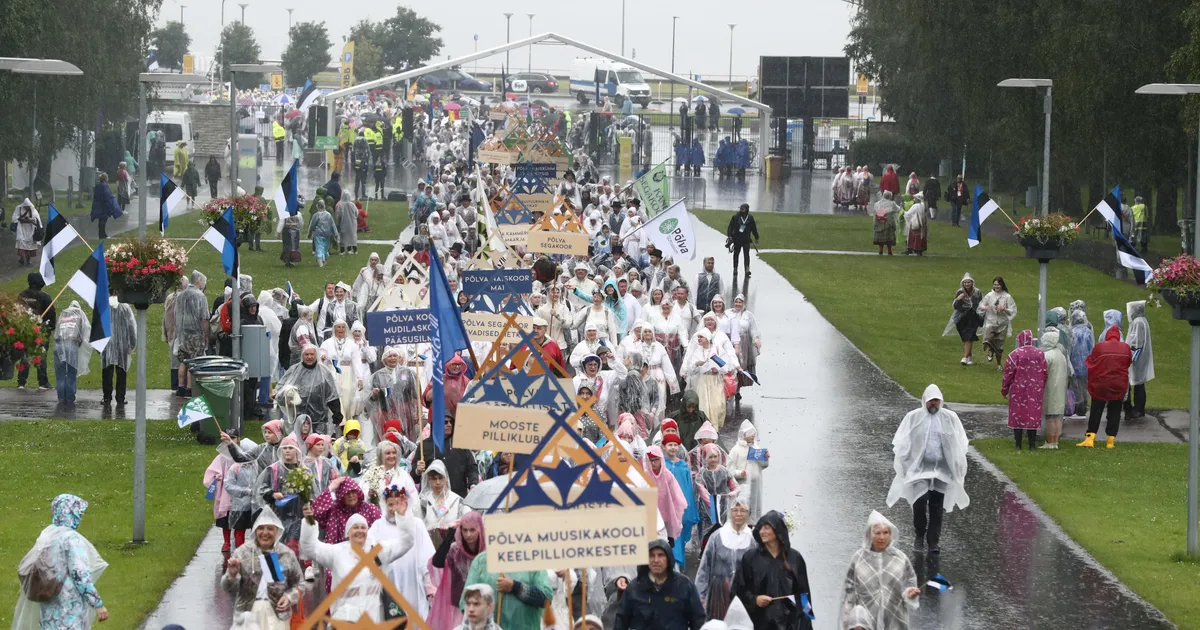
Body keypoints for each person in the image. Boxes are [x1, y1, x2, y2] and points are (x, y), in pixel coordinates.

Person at [886, 384, 969, 552]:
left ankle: (933, 542)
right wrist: (903, 462)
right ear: (924, 401)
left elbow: (960, 443)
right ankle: (919, 534)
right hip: (919, 469)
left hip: (942, 470)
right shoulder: (913, 417)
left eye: (936, 401)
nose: (934, 404)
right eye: (931, 401)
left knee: (936, 506)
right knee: (920, 501)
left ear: (941, 401)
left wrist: (958, 464)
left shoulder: (949, 418)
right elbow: (902, 441)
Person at [300, 502, 412, 621]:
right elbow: (310, 547)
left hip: (374, 618)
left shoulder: (378, 551)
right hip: (345, 619)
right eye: (355, 527)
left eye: (363, 527)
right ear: (348, 532)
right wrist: (309, 521)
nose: (360, 531)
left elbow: (406, 542)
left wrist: (402, 516)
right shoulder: (336, 552)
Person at [12, 494, 109, 630]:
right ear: (71, 513)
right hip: (69, 605)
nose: (80, 517)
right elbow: (80, 574)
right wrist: (97, 604)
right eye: (78, 513)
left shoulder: (48, 535)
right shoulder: (72, 539)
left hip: (49, 601)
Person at [220, 507, 303, 630]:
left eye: (270, 529)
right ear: (255, 531)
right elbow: (227, 588)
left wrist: (289, 597)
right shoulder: (242, 552)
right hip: (247, 614)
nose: (265, 533)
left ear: (277, 531)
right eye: (261, 528)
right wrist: (231, 575)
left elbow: (299, 584)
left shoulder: (286, 554)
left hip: (278, 614)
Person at [731, 511, 815, 630]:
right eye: (760, 528)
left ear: (778, 530)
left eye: (766, 528)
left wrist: (806, 625)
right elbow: (738, 590)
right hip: (758, 623)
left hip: (789, 624)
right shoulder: (750, 558)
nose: (762, 532)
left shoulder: (795, 559)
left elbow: (804, 596)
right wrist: (755, 599)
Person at [839, 511, 920, 630]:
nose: (882, 537)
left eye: (885, 533)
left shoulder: (900, 559)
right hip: (865, 622)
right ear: (869, 534)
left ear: (890, 534)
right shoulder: (858, 559)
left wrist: (909, 593)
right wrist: (849, 621)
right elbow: (848, 592)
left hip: (895, 620)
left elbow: (909, 582)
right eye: (877, 533)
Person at [368, 484, 435, 619]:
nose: (394, 509)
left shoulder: (416, 524)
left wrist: (429, 586)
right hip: (388, 585)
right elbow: (369, 555)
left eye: (398, 503)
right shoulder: (377, 526)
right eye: (390, 504)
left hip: (413, 583)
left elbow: (426, 557)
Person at [614, 539, 706, 630]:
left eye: (661, 555)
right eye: (651, 556)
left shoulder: (684, 586)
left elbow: (698, 619)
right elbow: (621, 621)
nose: (656, 560)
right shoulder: (634, 588)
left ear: (668, 558)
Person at [461, 540, 553, 630]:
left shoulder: (532, 559)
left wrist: (516, 587)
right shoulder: (481, 561)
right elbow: (465, 603)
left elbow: (546, 598)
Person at [695, 497, 754, 620]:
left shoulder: (753, 540)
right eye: (735, 510)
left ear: (748, 514)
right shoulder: (717, 537)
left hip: (743, 598)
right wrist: (700, 597)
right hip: (718, 594)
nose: (739, 514)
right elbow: (704, 570)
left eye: (743, 511)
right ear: (729, 512)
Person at [430, 512, 486, 630]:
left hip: (482, 604)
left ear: (480, 530)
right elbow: (437, 562)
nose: (468, 535)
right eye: (464, 530)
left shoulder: (486, 552)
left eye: (472, 530)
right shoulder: (455, 550)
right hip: (458, 606)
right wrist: (450, 534)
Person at [1079, 327, 1132, 449]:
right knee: (1115, 410)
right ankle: (1110, 440)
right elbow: (1128, 362)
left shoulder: (1100, 347)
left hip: (1101, 384)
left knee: (1096, 409)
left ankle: (1090, 438)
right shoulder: (1125, 347)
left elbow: (1091, 361)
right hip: (1118, 384)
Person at [275, 345, 342, 435]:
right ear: (302, 355)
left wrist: (337, 412)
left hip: (319, 419)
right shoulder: (294, 370)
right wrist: (287, 397)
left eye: (312, 354)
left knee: (317, 444)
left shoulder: (324, 372)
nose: (309, 357)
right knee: (299, 442)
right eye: (306, 354)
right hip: (298, 418)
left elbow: (332, 394)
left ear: (316, 355)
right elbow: (279, 390)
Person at [412, 413, 481, 497]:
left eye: (451, 422)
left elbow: (472, 468)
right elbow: (414, 476)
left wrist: (473, 484)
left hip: (456, 498)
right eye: (445, 422)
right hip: (430, 500)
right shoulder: (424, 446)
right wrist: (417, 471)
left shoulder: (460, 444)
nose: (449, 425)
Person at [1001, 330, 1047, 451]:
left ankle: (1018, 445)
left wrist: (1004, 390)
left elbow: (1008, 374)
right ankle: (1032, 445)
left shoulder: (1015, 354)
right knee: (1033, 414)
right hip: (1035, 390)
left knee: (1018, 415)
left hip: (1018, 391)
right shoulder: (1040, 354)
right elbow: (1045, 372)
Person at [174, 271, 210, 397]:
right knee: (194, 361)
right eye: (203, 282)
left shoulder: (181, 295)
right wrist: (206, 335)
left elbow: (176, 314)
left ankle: (180, 387)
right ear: (198, 281)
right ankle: (190, 388)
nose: (204, 285)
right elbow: (205, 318)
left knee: (184, 360)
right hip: (195, 334)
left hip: (183, 333)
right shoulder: (200, 296)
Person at [17, 272, 54, 391]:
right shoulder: (45, 296)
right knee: (41, 355)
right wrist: (50, 327)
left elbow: (17, 311)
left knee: (24, 355)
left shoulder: (22, 295)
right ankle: (43, 382)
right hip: (41, 331)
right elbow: (51, 314)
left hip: (25, 330)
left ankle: (21, 382)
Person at [417, 459, 470, 540]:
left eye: (441, 478)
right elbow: (418, 527)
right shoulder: (423, 502)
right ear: (429, 480)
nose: (438, 482)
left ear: (446, 478)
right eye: (434, 479)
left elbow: (468, 522)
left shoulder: (457, 501)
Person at [726, 420, 769, 519]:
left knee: (754, 510)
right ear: (744, 434)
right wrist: (740, 473)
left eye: (753, 433)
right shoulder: (736, 450)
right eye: (750, 433)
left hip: (755, 486)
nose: (753, 435)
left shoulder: (756, 449)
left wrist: (765, 458)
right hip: (741, 486)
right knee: (742, 509)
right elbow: (728, 469)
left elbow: (763, 465)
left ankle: (751, 529)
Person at [98, 293, 135, 407]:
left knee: (107, 372)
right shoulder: (125, 307)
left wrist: (98, 346)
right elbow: (131, 326)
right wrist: (132, 344)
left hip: (107, 345)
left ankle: (107, 397)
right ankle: (120, 397)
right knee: (121, 371)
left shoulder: (103, 306)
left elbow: (98, 326)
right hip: (122, 345)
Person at [53, 301, 91, 407]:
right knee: (70, 372)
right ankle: (70, 398)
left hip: (58, 345)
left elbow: (56, 332)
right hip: (72, 344)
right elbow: (86, 332)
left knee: (60, 373)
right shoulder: (80, 316)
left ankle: (61, 398)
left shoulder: (63, 315)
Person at [1040, 329, 1071, 449]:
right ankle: (1055, 441)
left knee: (1050, 417)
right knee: (1057, 416)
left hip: (1051, 389)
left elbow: (1043, 372)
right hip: (1060, 388)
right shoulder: (1060, 354)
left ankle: (1050, 441)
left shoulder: (1047, 356)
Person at [979, 277, 1017, 369]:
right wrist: (985, 308)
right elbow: (981, 304)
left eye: (998, 285)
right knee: (988, 337)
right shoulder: (989, 295)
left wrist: (1004, 309)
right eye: (995, 284)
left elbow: (1012, 310)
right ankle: (990, 350)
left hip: (1002, 323)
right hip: (991, 320)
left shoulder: (1007, 297)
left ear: (1002, 285)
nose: (996, 286)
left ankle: (999, 363)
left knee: (999, 345)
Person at [945, 273, 984, 365]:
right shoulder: (959, 292)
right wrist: (958, 299)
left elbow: (981, 303)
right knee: (965, 337)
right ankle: (969, 356)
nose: (967, 284)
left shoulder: (977, 292)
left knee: (969, 336)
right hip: (962, 318)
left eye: (969, 282)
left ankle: (965, 357)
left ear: (972, 283)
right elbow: (955, 306)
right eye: (965, 282)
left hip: (973, 317)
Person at [1126, 300, 1154, 419]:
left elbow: (1137, 342)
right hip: (1140, 357)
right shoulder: (1142, 321)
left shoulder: (1138, 322)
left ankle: (1138, 409)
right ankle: (1139, 408)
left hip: (1137, 357)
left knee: (1137, 383)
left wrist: (1131, 357)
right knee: (1139, 383)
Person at [1069, 307, 1095, 417]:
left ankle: (1079, 408)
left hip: (1075, 363)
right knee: (1084, 385)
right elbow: (1091, 347)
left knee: (1076, 387)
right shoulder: (1088, 331)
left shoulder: (1072, 332)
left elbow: (1070, 349)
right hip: (1086, 364)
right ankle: (1084, 405)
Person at [726, 204, 759, 278]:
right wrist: (730, 236)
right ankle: (735, 269)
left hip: (746, 240)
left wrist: (756, 237)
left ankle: (747, 270)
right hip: (737, 239)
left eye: (743, 209)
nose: (741, 210)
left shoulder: (750, 218)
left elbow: (754, 228)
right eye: (740, 209)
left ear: (747, 209)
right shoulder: (735, 217)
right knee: (736, 255)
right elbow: (730, 227)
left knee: (746, 255)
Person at [308, 200, 339, 267]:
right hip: (327, 234)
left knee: (319, 247)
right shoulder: (328, 215)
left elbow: (312, 225)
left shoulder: (316, 215)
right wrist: (335, 234)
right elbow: (333, 225)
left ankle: (321, 262)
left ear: (317, 206)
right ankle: (323, 261)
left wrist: (309, 233)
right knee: (325, 247)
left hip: (318, 234)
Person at [89, 174, 118, 239]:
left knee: (101, 220)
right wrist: (112, 197)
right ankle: (102, 235)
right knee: (103, 221)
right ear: (105, 178)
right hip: (104, 206)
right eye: (107, 178)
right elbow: (107, 195)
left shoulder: (97, 185)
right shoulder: (105, 186)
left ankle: (102, 234)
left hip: (98, 205)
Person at [873, 191, 900, 255]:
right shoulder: (892, 203)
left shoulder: (877, 204)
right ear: (890, 196)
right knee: (889, 236)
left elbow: (875, 211)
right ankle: (889, 251)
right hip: (889, 222)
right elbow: (897, 209)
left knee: (881, 235)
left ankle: (880, 250)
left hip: (879, 222)